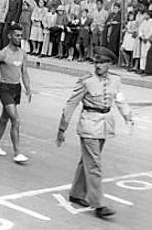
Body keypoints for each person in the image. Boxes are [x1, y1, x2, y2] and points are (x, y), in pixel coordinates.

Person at [57, 46, 134, 219]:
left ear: (110, 64)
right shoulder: (86, 81)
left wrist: (128, 115)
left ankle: (76, 193)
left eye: (101, 63)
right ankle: (99, 204)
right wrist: (62, 128)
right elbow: (71, 103)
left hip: (105, 124)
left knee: (87, 161)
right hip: (89, 125)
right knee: (94, 165)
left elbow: (119, 99)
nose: (97, 66)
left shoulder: (115, 80)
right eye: (96, 62)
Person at [0, 24, 32, 163]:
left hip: (16, 89)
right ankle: (17, 153)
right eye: (16, 35)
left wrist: (28, 88)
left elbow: (24, 72)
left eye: (21, 35)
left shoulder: (23, 53)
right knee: (16, 120)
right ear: (9, 35)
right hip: (5, 89)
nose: (19, 38)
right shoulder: (3, 54)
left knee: (4, 119)